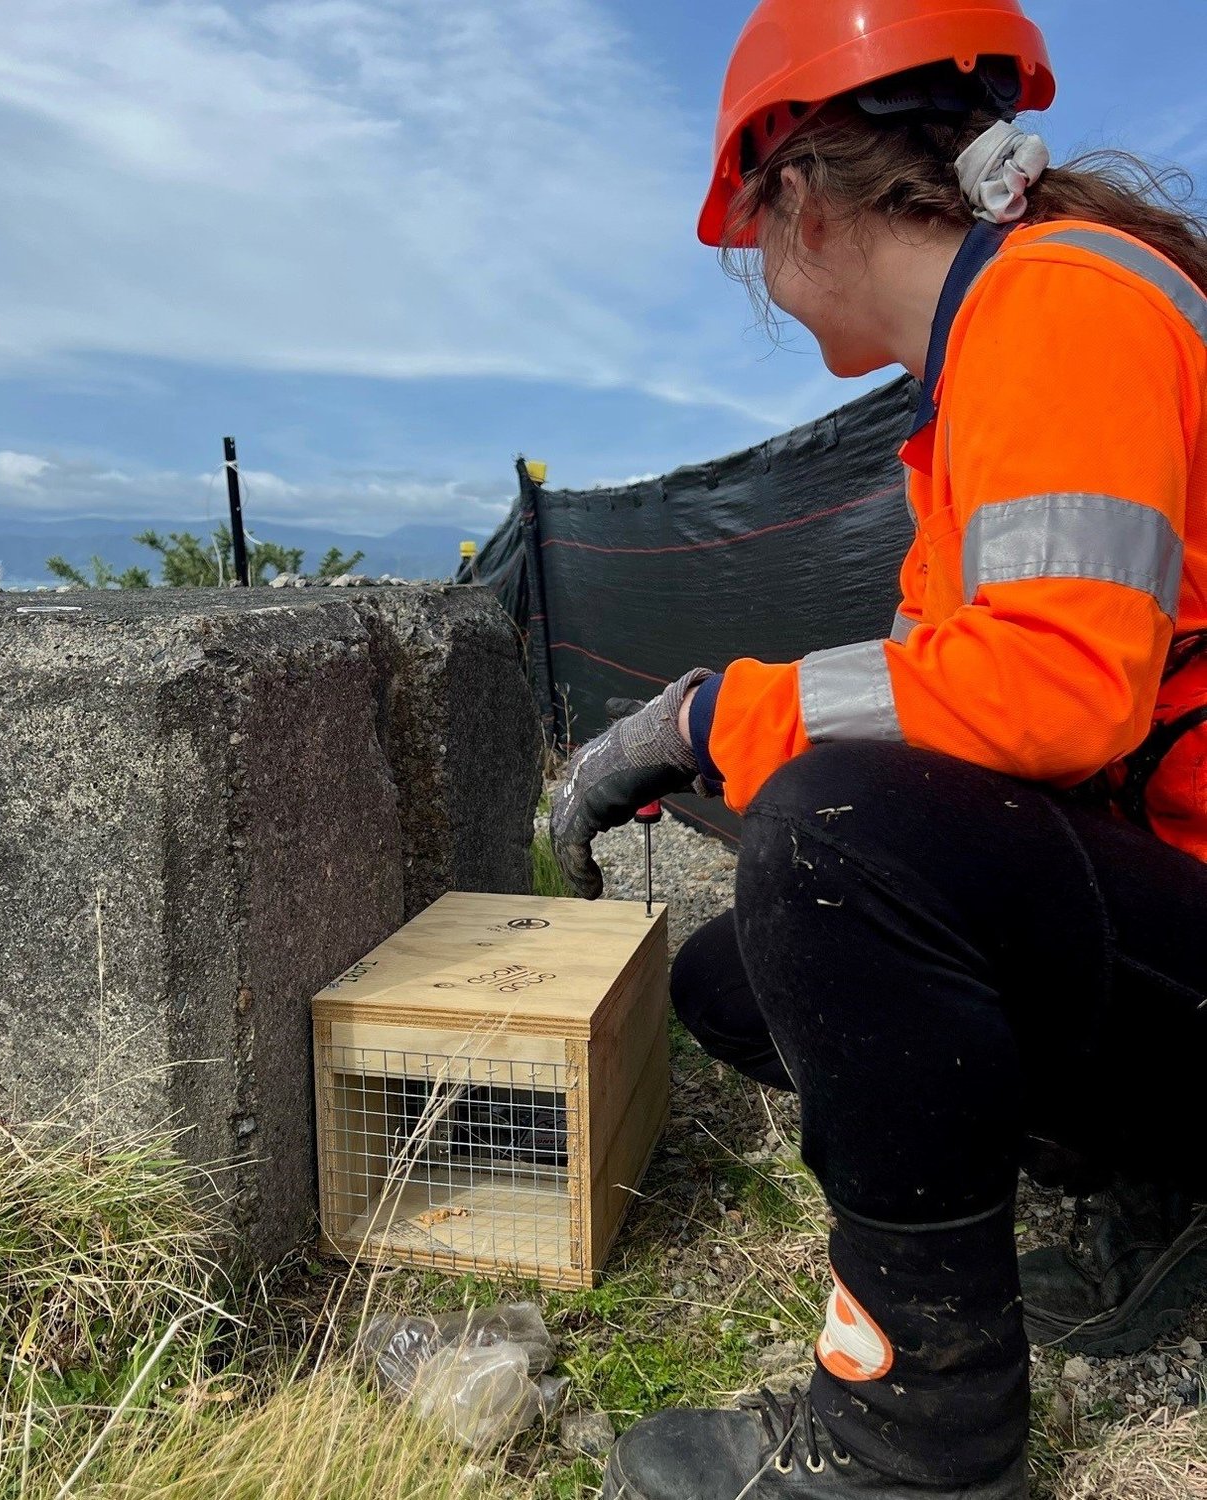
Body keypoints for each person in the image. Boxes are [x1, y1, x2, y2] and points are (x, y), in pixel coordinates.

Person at [548, 1, 1207, 1495]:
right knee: (738, 982)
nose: (765, 286)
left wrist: (710, 721)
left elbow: (1055, 689)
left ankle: (917, 1435)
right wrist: (738, 735)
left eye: (750, 238)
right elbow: (953, 700)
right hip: (1173, 908)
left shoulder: (1063, 305)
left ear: (800, 193)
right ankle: (1155, 1199)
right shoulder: (993, 355)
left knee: (841, 846)